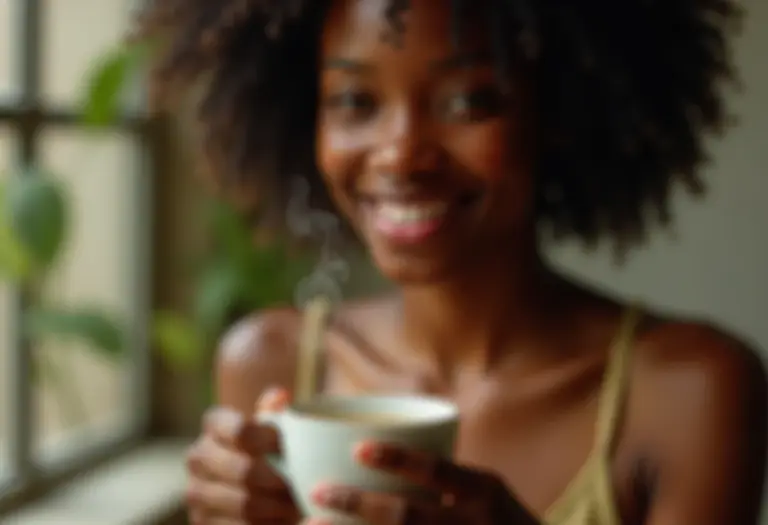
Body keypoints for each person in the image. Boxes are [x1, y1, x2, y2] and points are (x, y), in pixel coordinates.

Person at [136, 1, 767, 524]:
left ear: (554, 115)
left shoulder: (689, 390)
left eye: (468, 101)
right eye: (356, 101)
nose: (402, 154)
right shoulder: (267, 362)